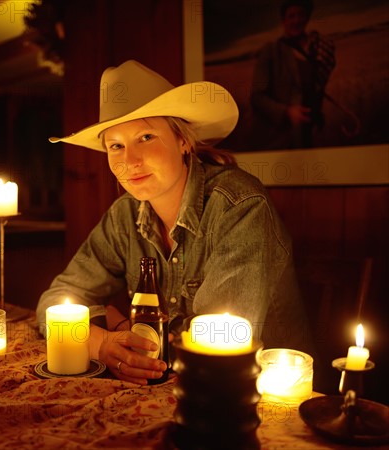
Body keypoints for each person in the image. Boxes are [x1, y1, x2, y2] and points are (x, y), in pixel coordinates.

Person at [37, 60, 312, 385]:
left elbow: (220, 340)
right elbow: (53, 302)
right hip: (171, 389)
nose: (130, 161)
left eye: (146, 136)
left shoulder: (240, 206)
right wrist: (103, 344)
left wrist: (117, 324)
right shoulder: (123, 215)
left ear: (183, 140)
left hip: (257, 397)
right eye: (116, 146)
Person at [250, 0, 335, 149]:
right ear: (284, 20)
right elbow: (257, 97)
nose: (296, 20)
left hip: (310, 132)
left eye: (301, 15)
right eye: (291, 16)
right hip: (282, 136)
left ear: (307, 18)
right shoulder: (270, 51)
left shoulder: (316, 49)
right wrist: (287, 112)